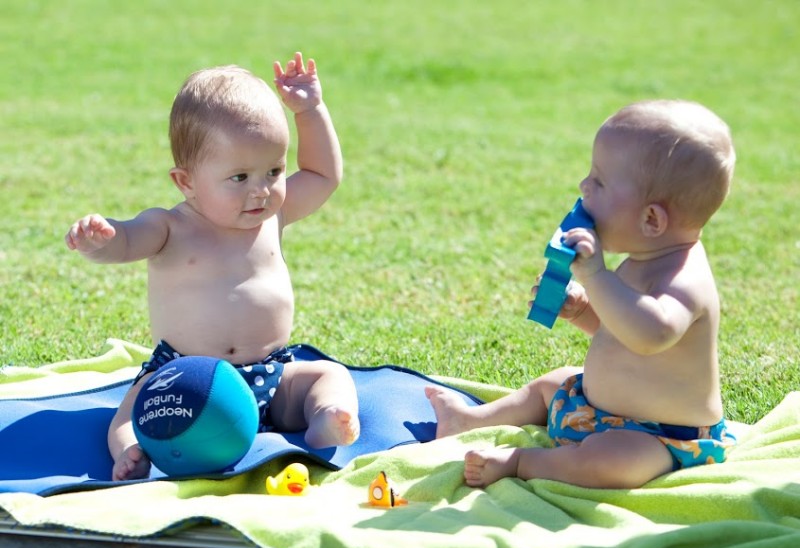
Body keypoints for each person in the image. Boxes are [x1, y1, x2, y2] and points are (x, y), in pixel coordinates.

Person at [65, 54, 359, 481]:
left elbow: (321, 174)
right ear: (186, 182)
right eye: (240, 178)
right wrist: (100, 241)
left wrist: (309, 110)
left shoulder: (272, 215)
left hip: (268, 374)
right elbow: (126, 241)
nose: (261, 191)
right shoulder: (169, 226)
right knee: (131, 412)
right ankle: (132, 451)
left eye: (274, 170)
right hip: (183, 382)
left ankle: (327, 417)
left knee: (328, 376)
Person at [426, 99, 737, 490]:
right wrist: (583, 311)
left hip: (660, 437)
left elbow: (648, 336)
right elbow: (620, 333)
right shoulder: (643, 258)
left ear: (651, 219)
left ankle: (522, 462)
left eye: (599, 182)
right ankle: (469, 420)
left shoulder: (685, 279)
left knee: (613, 463)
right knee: (553, 384)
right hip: (594, 413)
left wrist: (595, 276)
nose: (583, 187)